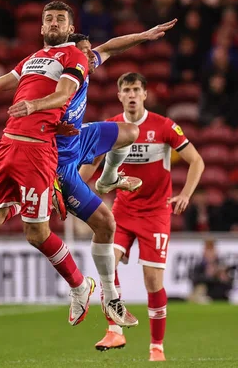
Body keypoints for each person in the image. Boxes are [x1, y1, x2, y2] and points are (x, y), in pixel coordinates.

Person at [0, 1, 96, 326]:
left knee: (35, 233)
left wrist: (33, 104)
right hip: (8, 145)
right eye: (48, 19)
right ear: (40, 28)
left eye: (60, 20)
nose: (53, 23)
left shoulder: (74, 56)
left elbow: (65, 93)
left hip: (38, 150)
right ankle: (35, 200)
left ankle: (80, 285)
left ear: (69, 28)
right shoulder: (33, 59)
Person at [52, 19, 177, 328]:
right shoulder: (57, 73)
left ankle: (107, 179)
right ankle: (81, 286)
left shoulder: (86, 61)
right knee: (37, 224)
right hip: (56, 149)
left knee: (128, 131)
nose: (89, 58)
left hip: (78, 137)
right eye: (83, 53)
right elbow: (37, 102)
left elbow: (111, 47)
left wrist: (145, 36)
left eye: (88, 53)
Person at [81, 72, 205, 361]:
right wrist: (69, 184)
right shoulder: (111, 127)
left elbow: (196, 161)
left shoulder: (164, 126)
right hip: (123, 209)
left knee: (152, 281)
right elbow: (93, 164)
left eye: (137, 89)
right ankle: (115, 329)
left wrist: (186, 193)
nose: (132, 94)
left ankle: (156, 347)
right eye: (127, 90)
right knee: (105, 261)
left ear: (145, 94)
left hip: (155, 212)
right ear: (119, 95)